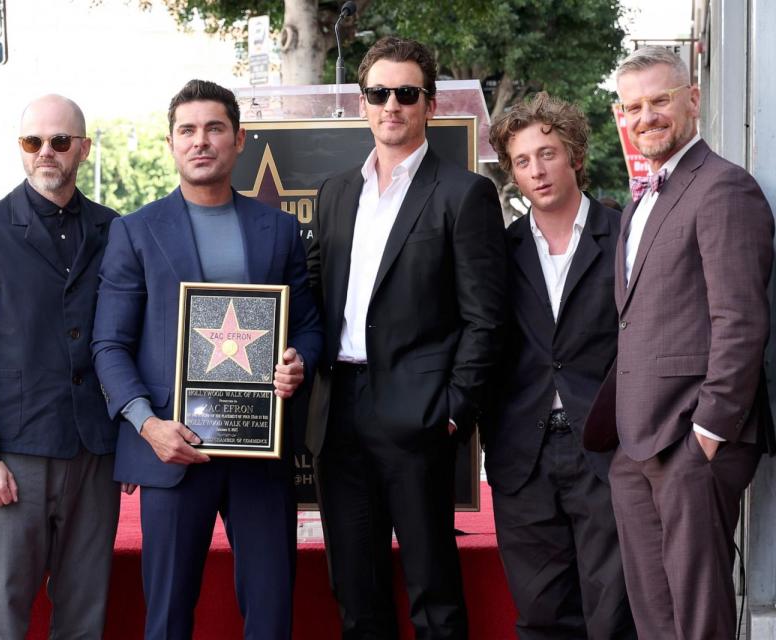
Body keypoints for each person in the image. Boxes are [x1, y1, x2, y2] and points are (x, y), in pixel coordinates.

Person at [92, 79, 322, 640]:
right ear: (170, 143)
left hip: (259, 454)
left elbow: (310, 327)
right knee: (167, 616)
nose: (201, 141)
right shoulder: (135, 231)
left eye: (214, 128)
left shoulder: (281, 229)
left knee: (271, 613)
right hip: (172, 451)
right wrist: (147, 426)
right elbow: (109, 345)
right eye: (188, 130)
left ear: (239, 139)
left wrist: (299, 364)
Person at [305, 37, 507, 639]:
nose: (391, 104)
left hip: (419, 419)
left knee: (433, 592)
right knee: (356, 591)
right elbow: (316, 298)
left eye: (406, 93)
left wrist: (451, 413)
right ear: (362, 103)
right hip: (338, 412)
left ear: (430, 105)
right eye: (379, 93)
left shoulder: (463, 194)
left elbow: (486, 320)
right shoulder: (336, 192)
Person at [584, 45, 775, 639]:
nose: (646, 117)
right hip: (637, 444)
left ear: (693, 99)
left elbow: (741, 319)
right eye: (633, 106)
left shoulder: (723, 188)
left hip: (693, 440)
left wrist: (709, 434)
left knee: (697, 619)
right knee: (655, 619)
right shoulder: (645, 197)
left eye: (660, 100)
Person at [0, 94, 120, 638]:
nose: (46, 152)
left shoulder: (115, 229)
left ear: (83, 149)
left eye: (60, 141)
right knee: (2, 615)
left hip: (95, 452)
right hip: (11, 457)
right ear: (21, 149)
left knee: (84, 614)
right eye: (33, 141)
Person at [486, 92, 635, 639]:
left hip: (606, 450)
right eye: (522, 161)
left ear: (574, 154)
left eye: (547, 153)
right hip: (522, 457)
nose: (537, 170)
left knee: (615, 617)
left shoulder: (625, 238)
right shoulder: (497, 252)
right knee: (543, 618)